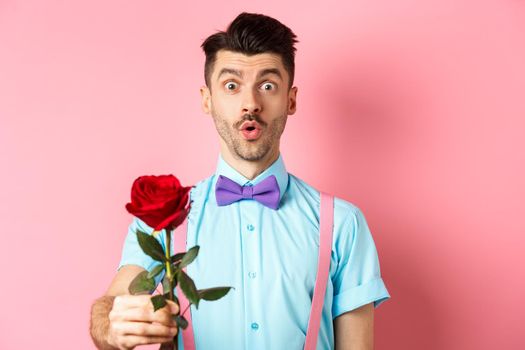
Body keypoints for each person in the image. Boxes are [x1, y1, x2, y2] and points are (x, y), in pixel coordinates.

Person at [90, 12, 390, 350]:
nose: (250, 104)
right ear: (208, 99)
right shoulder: (164, 220)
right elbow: (111, 306)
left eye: (267, 86)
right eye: (231, 86)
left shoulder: (343, 224)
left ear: (290, 99)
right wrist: (115, 326)